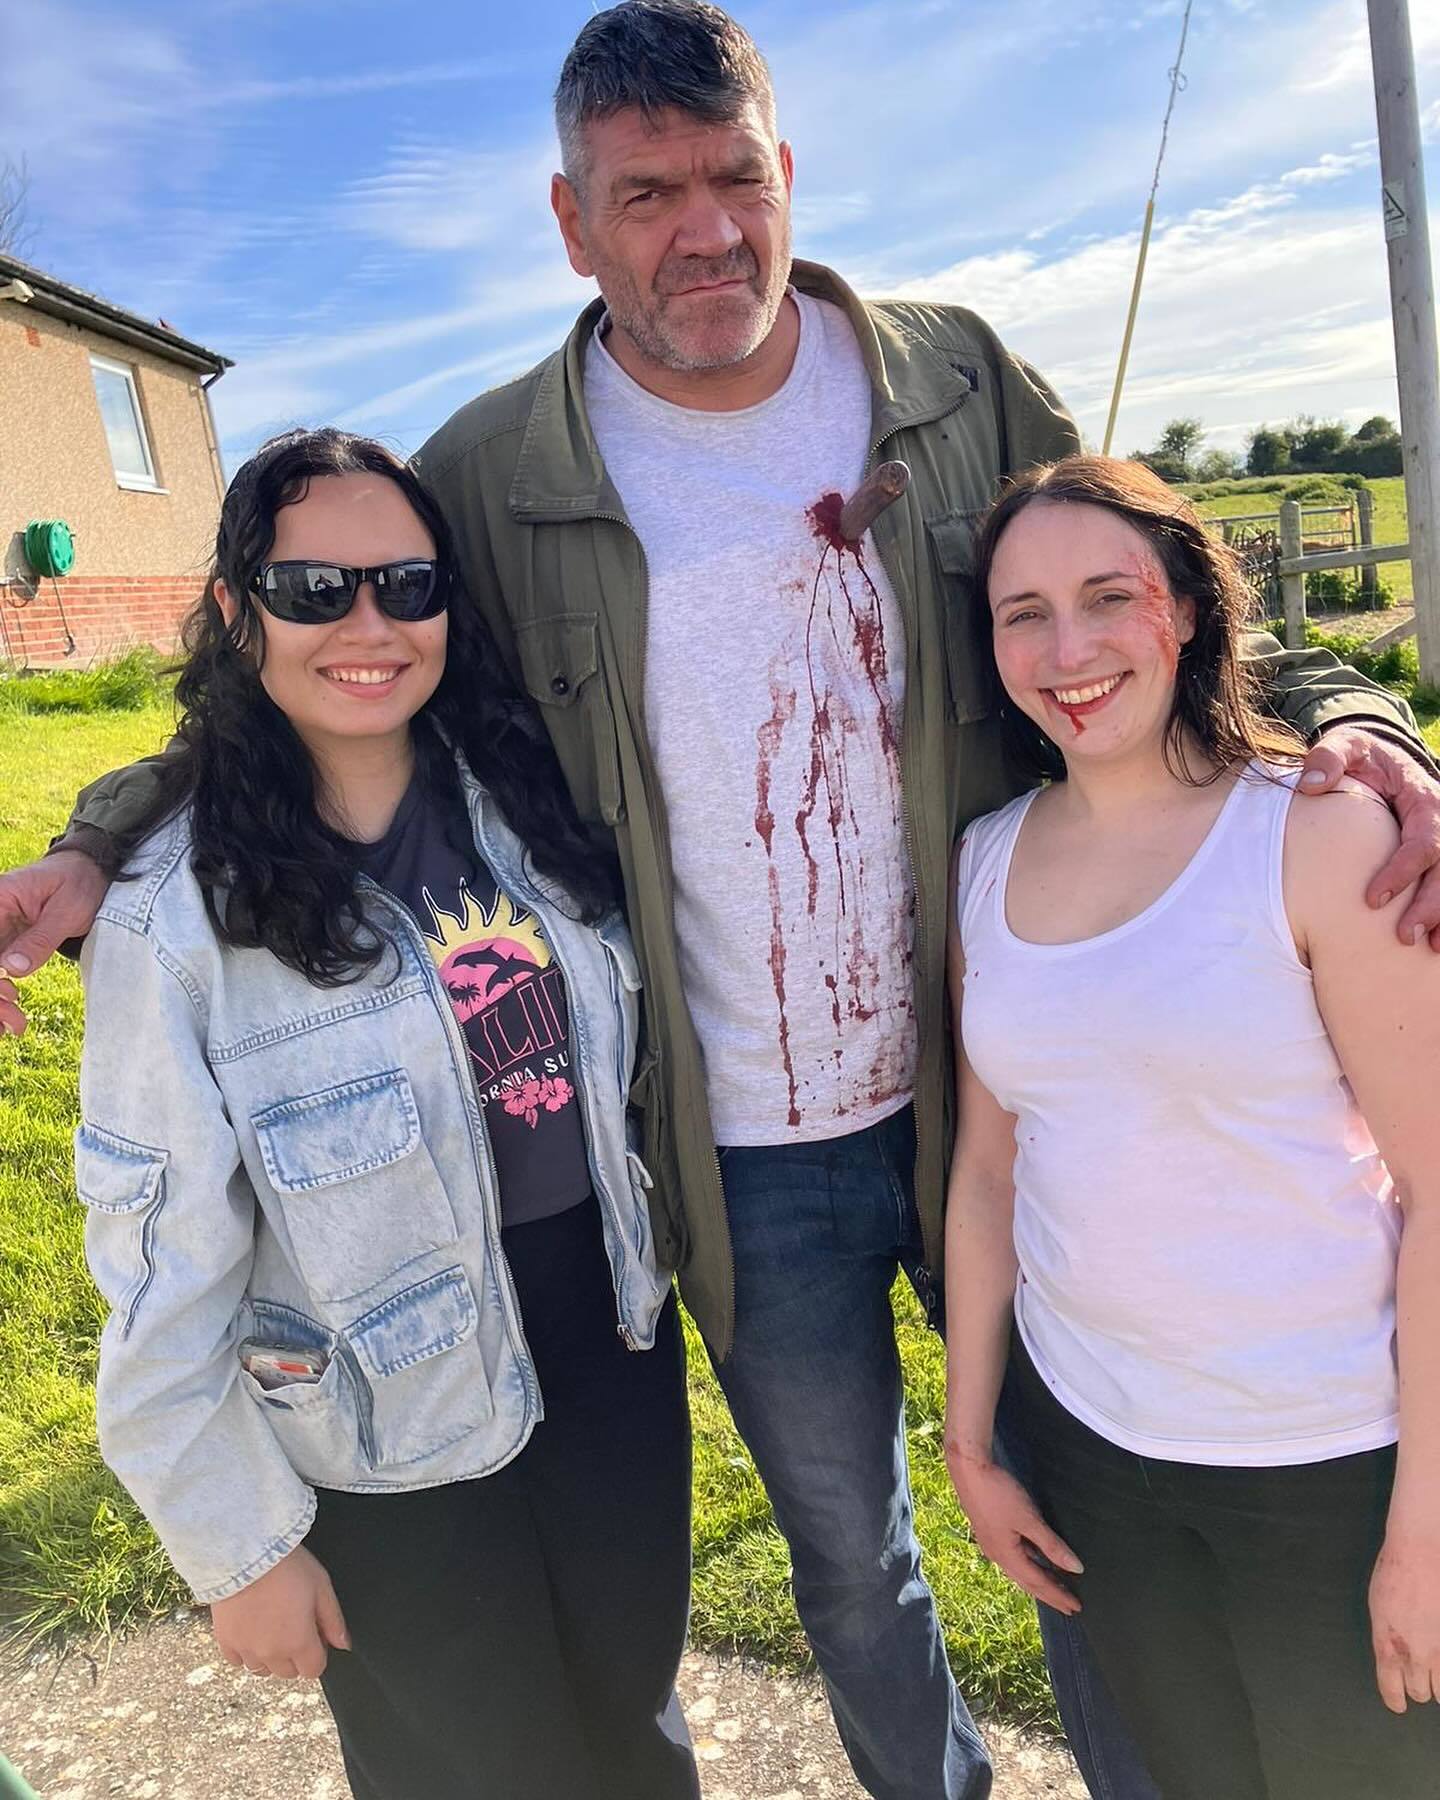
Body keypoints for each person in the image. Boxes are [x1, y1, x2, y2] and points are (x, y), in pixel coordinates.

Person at [4, 6, 1440, 1797]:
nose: (703, 229)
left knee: (1090, 1499)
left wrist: (1366, 718)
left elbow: (1147, 576)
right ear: (569, 218)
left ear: (788, 174)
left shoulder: (955, 373)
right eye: (647, 191)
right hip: (737, 1151)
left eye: (734, 178)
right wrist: (103, 830)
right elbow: (309, 675)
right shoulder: (493, 473)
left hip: (1017, 1075)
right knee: (856, 1562)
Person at [72, 428, 697, 1800]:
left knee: (637, 1732)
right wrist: (234, 1546)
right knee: (478, 1775)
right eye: (315, 591)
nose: (370, 624)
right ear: (240, 616)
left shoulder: (526, 802)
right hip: (385, 1432)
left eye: (407, 586)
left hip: (607, 1358)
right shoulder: (174, 920)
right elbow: (153, 1264)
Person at [944, 455, 1440, 1799]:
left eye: (1109, 596)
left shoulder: (1320, 833)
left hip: (1326, 1467)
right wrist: (973, 1442)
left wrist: (1426, 1528)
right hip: (1102, 1467)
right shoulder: (985, 859)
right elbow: (989, 1173)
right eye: (1021, 613)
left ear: (1184, 610)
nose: (1069, 648)